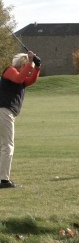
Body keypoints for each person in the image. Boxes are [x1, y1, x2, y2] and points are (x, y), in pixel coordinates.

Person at [0, 51, 41, 188]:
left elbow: (32, 80)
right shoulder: (10, 71)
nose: (29, 71)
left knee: (4, 145)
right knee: (8, 146)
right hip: (4, 112)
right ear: (22, 64)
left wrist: (37, 67)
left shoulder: (22, 79)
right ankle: (4, 180)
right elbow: (18, 78)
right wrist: (31, 62)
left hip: (6, 113)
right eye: (27, 66)